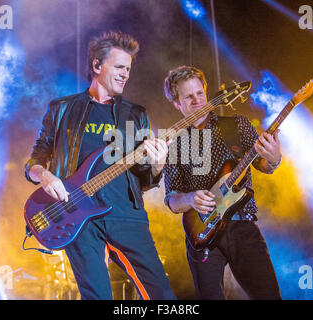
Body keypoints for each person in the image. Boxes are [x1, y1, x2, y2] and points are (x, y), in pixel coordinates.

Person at [25, 31, 176, 300]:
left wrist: (157, 165)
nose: (125, 74)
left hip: (126, 216)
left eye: (128, 69)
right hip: (78, 218)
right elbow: (34, 162)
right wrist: (46, 176)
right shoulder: (61, 110)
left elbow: (146, 178)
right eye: (119, 67)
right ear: (97, 65)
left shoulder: (136, 114)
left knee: (162, 296)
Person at [162, 65, 282, 300]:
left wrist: (274, 158)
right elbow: (171, 200)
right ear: (177, 103)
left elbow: (264, 166)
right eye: (188, 96)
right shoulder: (174, 143)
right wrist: (189, 198)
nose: (197, 100)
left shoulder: (237, 125)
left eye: (200, 93)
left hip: (242, 227)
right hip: (202, 234)